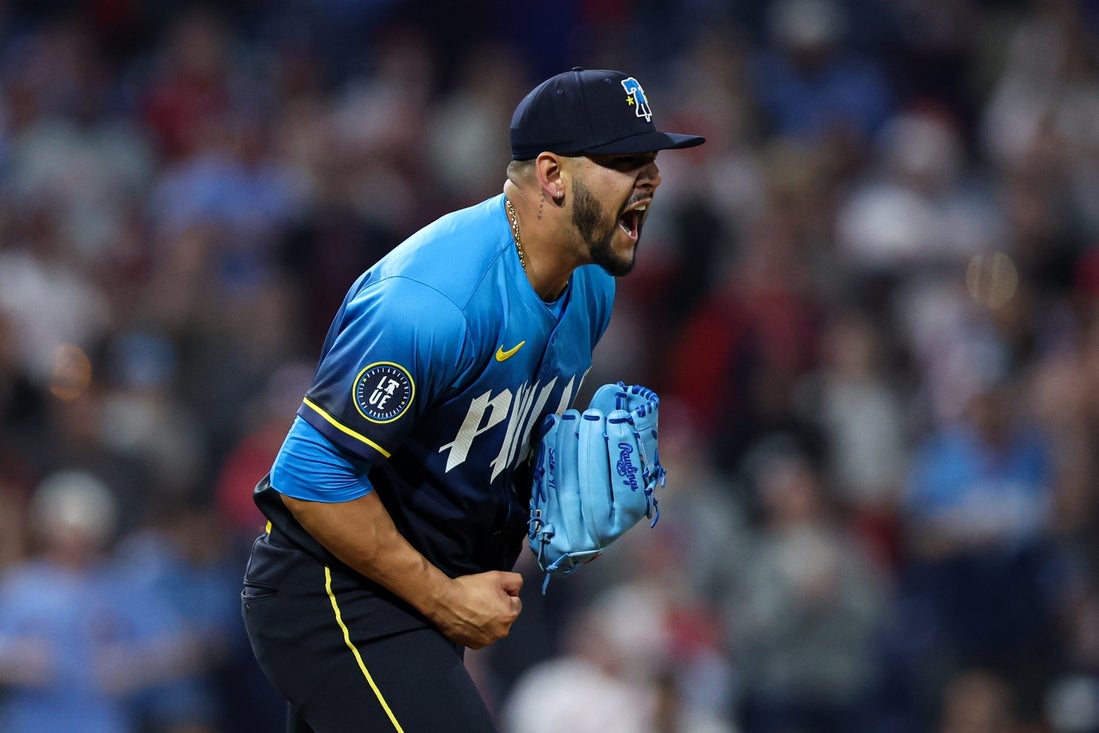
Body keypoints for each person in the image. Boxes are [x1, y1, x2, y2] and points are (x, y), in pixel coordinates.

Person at [240, 66, 704, 733]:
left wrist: (550, 501)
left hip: (421, 587)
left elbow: (491, 441)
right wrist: (443, 598)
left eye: (652, 160)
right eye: (626, 162)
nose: (653, 177)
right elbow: (308, 477)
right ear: (552, 176)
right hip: (335, 589)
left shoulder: (591, 282)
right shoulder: (431, 302)